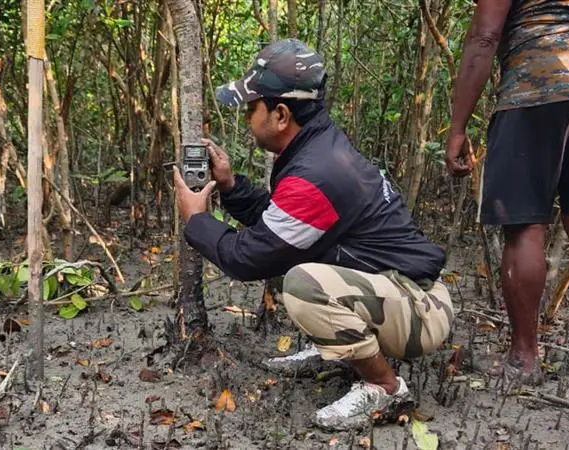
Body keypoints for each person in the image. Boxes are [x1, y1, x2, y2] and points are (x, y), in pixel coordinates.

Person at [173, 38, 453, 431]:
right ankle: (337, 350)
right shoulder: (318, 148)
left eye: (252, 108)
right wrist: (231, 186)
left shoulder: (315, 173)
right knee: (292, 260)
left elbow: (247, 258)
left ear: (281, 115)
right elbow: (278, 226)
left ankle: (385, 387)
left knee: (302, 284)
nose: (248, 117)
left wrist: (195, 219)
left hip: (420, 309)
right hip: (401, 291)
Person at [446, 0, 569, 384]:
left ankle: (524, 358)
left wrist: (458, 126)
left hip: (535, 84)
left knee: (524, 225)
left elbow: (485, 34)